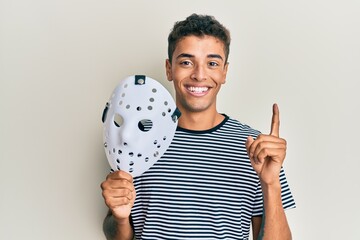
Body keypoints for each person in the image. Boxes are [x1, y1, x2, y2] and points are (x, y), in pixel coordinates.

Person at [101, 14, 295, 240]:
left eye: (212, 63)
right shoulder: (135, 136)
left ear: (224, 72)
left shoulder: (256, 148)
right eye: (186, 62)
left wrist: (271, 184)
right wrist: (121, 218)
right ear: (169, 69)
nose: (199, 75)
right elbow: (115, 234)